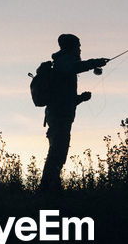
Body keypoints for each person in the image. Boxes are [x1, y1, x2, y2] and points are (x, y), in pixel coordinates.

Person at [39, 33, 107, 193]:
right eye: (78, 46)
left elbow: (63, 97)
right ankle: (47, 188)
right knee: (57, 152)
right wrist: (96, 62)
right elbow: (76, 67)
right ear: (71, 47)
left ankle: (50, 186)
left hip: (58, 114)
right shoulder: (65, 62)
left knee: (58, 151)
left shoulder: (62, 64)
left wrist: (80, 99)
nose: (80, 49)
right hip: (59, 116)